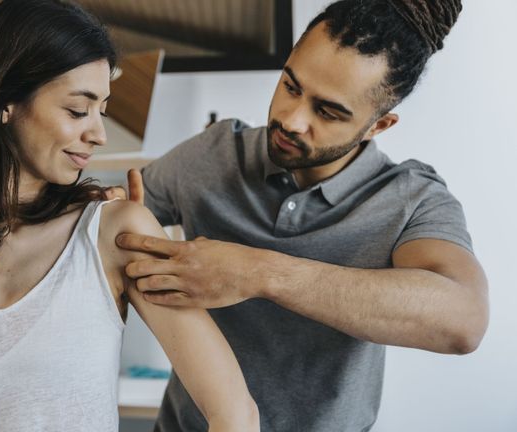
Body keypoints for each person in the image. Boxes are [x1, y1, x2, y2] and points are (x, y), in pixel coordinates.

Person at [0, 1, 259, 431]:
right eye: (78, 110)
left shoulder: (116, 233)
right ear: (4, 101)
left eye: (103, 109)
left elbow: (235, 415)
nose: (98, 133)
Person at [113, 0, 489, 431]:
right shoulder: (214, 154)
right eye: (291, 86)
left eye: (327, 111)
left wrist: (258, 273)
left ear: (377, 126)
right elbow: (114, 212)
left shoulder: (411, 199)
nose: (291, 120)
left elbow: (464, 321)